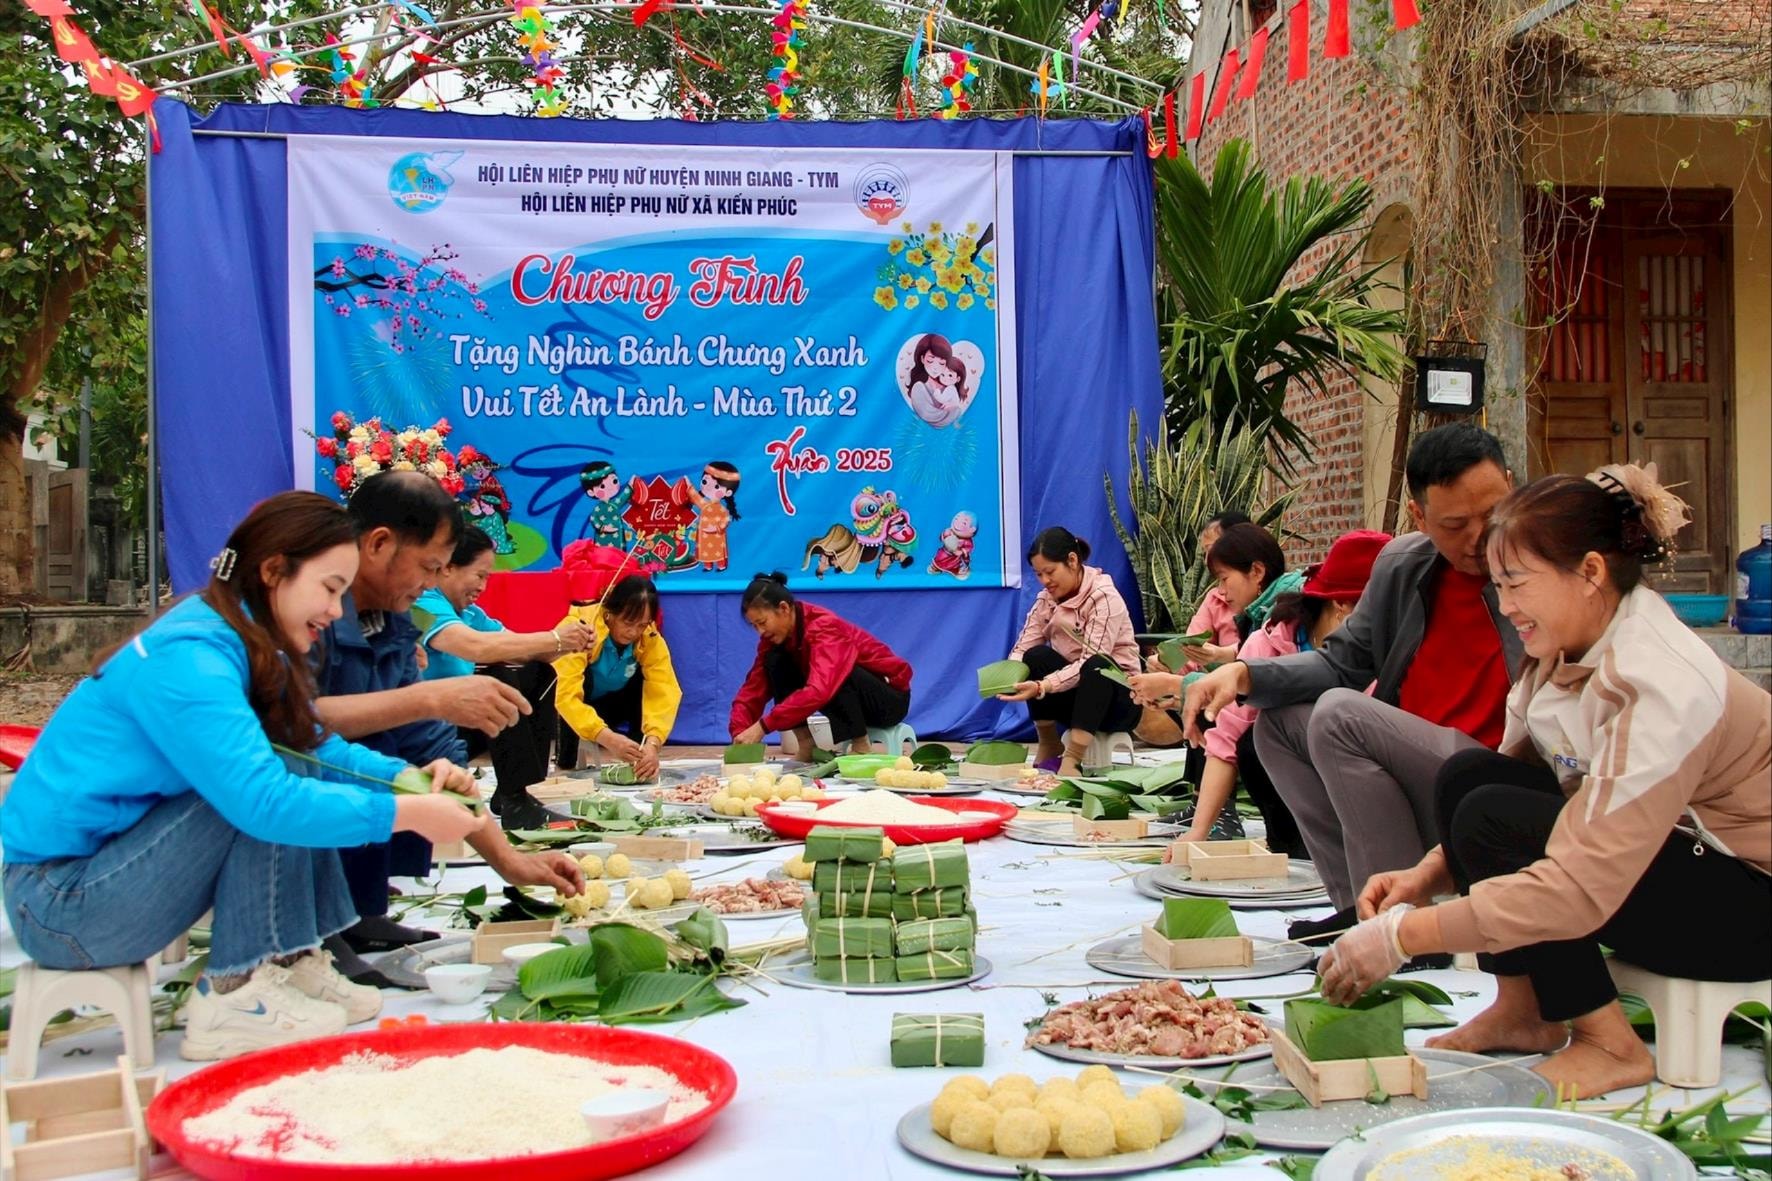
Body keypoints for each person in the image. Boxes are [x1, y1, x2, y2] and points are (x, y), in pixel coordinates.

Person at [1319, 466, 1770, 1100]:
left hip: (1747, 911)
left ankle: (1608, 1044)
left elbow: (1578, 886)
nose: (1505, 607)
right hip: (1671, 868)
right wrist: (1426, 878)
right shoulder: (1562, 650)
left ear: (1589, 573)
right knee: (1469, 778)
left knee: (1496, 813)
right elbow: (1511, 789)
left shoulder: (1660, 683)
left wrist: (1400, 938)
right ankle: (1524, 1008)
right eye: (1498, 585)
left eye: (1517, 583)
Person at [1, 493, 490, 1059]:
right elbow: (263, 800)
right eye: (330, 588)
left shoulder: (244, 642)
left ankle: (292, 957)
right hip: (65, 906)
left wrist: (409, 780)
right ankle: (237, 990)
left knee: (286, 762)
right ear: (274, 572)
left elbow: (316, 745)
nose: (336, 611)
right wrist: (403, 813)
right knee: (265, 787)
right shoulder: (191, 659)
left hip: (103, 883)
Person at [1182, 424, 1523, 940]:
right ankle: (1357, 904)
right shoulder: (1405, 568)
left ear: (1513, 487)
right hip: (1416, 766)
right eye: (1456, 524)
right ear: (1419, 517)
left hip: (1495, 779)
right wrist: (1243, 672)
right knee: (1275, 724)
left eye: (1493, 514)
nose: (1480, 538)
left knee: (1340, 713)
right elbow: (1340, 663)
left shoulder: (1540, 564)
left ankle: (1401, 927)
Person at [313, 471, 577, 986]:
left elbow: (425, 742)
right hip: (261, 797)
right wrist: (427, 697)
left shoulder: (390, 620)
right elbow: (286, 727)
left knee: (418, 760)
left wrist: (510, 862)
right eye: (430, 567)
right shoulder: (307, 615)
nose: (432, 585)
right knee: (363, 761)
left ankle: (359, 913)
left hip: (344, 761)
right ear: (378, 544)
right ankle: (315, 926)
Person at [1141, 530, 1390, 856]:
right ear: (1343, 604)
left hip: (1364, 782)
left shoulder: (1392, 648)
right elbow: (1226, 737)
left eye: (1224, 577)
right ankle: (1296, 848)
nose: (1221, 590)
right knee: (1256, 738)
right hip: (1301, 782)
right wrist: (1198, 833)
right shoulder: (1271, 639)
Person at [412, 525, 596, 830]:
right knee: (497, 676)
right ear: (448, 568)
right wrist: (555, 638)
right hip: (424, 724)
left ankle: (516, 791)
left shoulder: (471, 614)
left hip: (459, 721)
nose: (483, 586)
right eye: (480, 575)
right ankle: (516, 800)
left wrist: (568, 643)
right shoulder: (425, 602)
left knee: (539, 674)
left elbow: (520, 649)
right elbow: (476, 647)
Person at [999, 527, 1142, 777]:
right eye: (1039, 574)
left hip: (1118, 702)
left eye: (1050, 572)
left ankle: (1072, 759)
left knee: (1097, 665)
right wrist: (1008, 678)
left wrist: (1043, 686)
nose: (1045, 581)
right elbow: (1023, 646)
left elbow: (1091, 661)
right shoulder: (1046, 599)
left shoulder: (1104, 597)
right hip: (1075, 697)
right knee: (1035, 657)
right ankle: (1049, 742)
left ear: (1072, 561)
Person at [730, 572, 912, 755]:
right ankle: (806, 745)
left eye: (762, 622)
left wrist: (763, 726)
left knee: (835, 674)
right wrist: (740, 732)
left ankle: (861, 746)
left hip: (888, 700)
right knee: (775, 661)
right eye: (754, 626)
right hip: (848, 699)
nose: (760, 632)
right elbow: (753, 689)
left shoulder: (824, 626)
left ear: (784, 608)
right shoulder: (772, 641)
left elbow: (820, 690)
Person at [555, 574, 682, 781]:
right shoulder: (579, 627)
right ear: (610, 611)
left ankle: (640, 757)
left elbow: (664, 689)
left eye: (642, 624)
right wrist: (608, 739)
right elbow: (566, 696)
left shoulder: (649, 637)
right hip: (576, 707)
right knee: (568, 694)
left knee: (644, 683)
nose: (633, 632)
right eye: (628, 622)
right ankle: (565, 763)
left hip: (615, 703)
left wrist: (653, 743)